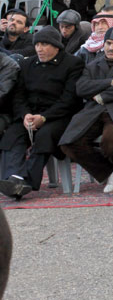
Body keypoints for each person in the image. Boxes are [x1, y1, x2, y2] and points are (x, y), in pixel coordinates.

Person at [58, 26, 113, 194]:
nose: (111, 48)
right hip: (93, 111)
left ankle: (111, 171)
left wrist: (101, 96)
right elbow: (81, 88)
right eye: (108, 43)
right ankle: (111, 170)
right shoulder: (93, 65)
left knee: (110, 141)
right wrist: (109, 82)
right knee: (69, 142)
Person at [0, 29, 83, 200]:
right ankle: (11, 178)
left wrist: (44, 118)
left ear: (56, 47)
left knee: (45, 135)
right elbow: (19, 96)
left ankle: (25, 181)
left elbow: (69, 100)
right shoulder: (27, 64)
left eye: (44, 44)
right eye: (37, 44)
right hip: (29, 115)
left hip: (58, 116)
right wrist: (25, 115)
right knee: (12, 135)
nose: (39, 49)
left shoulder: (73, 63)